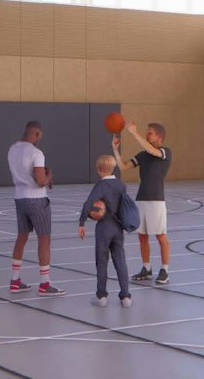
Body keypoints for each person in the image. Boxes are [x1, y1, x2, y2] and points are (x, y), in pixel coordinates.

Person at [6, 120, 64, 296]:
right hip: (36, 199)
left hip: (19, 197)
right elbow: (40, 182)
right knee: (44, 239)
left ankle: (15, 280)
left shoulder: (12, 149)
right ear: (37, 134)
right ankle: (45, 284)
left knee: (21, 237)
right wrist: (49, 175)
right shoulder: (36, 153)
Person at [115, 120, 171, 285]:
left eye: (150, 133)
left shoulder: (164, 152)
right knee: (142, 236)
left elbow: (151, 150)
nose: (147, 135)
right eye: (147, 133)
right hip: (141, 199)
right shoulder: (143, 154)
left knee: (161, 236)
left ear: (159, 136)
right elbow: (124, 167)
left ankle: (165, 270)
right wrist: (115, 150)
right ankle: (146, 268)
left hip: (156, 201)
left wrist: (134, 132)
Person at [75, 153, 134, 308]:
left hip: (104, 227)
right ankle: (125, 296)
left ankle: (101, 296)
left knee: (101, 261)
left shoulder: (101, 186)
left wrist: (82, 222)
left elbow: (88, 203)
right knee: (120, 260)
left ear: (100, 170)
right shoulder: (121, 185)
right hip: (118, 227)